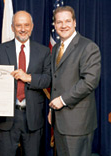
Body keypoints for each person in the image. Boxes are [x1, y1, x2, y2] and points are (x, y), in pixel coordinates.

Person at [0, 10, 51, 156]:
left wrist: (29, 78)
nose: (23, 29)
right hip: (6, 117)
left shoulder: (43, 51)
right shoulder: (0, 50)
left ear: (32, 26)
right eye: (18, 25)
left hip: (33, 118)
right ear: (12, 28)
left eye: (26, 25)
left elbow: (48, 79)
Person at [48, 6, 101, 156]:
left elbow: (89, 81)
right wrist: (52, 109)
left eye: (67, 21)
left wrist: (62, 100)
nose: (63, 25)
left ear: (75, 22)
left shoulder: (88, 47)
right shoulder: (57, 48)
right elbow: (57, 82)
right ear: (55, 25)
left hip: (78, 124)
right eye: (59, 22)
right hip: (59, 121)